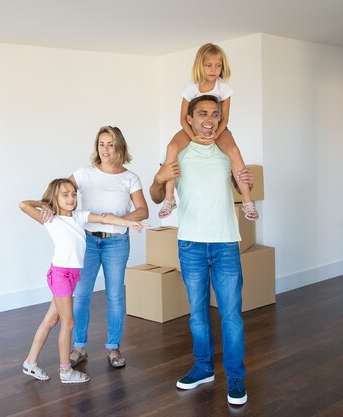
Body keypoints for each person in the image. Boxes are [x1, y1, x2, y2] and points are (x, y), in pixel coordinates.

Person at [150, 95, 254, 406]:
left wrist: (244, 183)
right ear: (190, 119)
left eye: (215, 114)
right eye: (202, 113)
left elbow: (240, 183)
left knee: (231, 315)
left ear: (220, 119)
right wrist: (158, 179)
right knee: (197, 314)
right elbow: (157, 196)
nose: (209, 119)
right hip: (191, 244)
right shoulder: (178, 151)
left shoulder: (226, 150)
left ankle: (235, 376)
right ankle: (203, 368)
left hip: (225, 244)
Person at [41, 126, 149, 369]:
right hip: (87, 241)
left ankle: (113, 347)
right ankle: (79, 347)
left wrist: (121, 219)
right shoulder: (83, 174)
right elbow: (57, 193)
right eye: (101, 144)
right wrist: (46, 206)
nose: (105, 149)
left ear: (119, 147)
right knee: (81, 296)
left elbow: (143, 210)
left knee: (115, 296)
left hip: (117, 243)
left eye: (111, 144)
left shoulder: (130, 178)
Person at [19, 178, 143, 384]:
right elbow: (23, 205)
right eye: (64, 195)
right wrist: (44, 204)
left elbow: (105, 219)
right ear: (54, 198)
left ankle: (30, 362)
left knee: (51, 320)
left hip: (72, 275)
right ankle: (65, 372)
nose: (71, 198)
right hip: (60, 275)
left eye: (73, 194)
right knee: (68, 322)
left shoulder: (79, 216)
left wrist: (128, 222)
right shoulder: (50, 218)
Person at [158, 42, 258, 222]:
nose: (213, 70)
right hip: (190, 128)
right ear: (200, 66)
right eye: (209, 65)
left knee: (234, 152)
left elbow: (225, 118)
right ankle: (169, 198)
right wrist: (193, 138)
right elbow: (182, 118)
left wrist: (215, 136)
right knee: (172, 147)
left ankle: (247, 201)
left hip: (219, 128)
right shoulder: (191, 87)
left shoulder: (224, 88)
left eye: (218, 66)